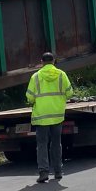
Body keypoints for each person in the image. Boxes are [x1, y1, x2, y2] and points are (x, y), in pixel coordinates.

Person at [26, 52, 74, 183]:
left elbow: (29, 97)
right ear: (54, 61)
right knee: (56, 143)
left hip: (41, 116)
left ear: (42, 61)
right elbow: (70, 93)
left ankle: (43, 172)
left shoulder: (35, 77)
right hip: (57, 116)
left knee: (42, 144)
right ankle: (58, 171)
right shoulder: (61, 75)